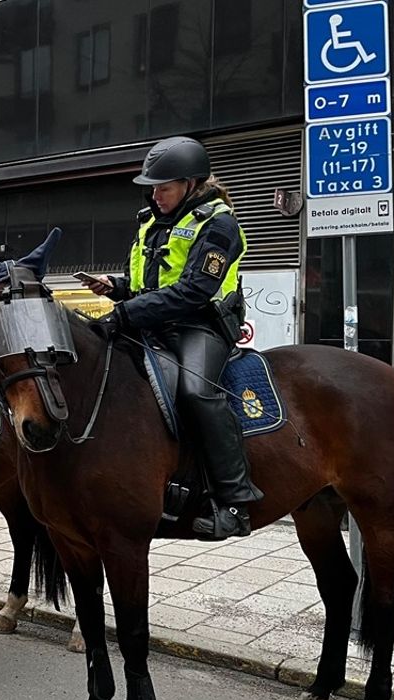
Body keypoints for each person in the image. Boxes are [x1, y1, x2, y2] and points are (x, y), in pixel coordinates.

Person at [82, 135, 263, 540]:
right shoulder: (151, 221)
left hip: (201, 325)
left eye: (163, 188)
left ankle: (235, 503)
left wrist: (125, 313)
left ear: (190, 184)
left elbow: (195, 290)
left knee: (197, 392)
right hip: (154, 323)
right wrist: (115, 286)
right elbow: (149, 285)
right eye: (152, 188)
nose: (156, 195)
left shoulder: (219, 224)